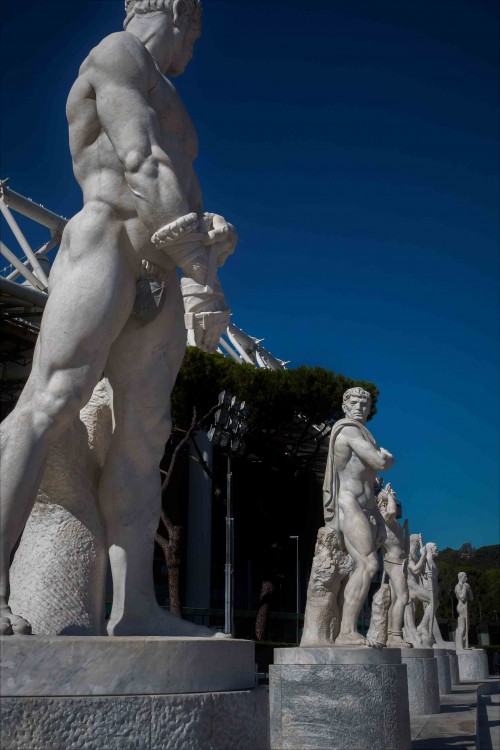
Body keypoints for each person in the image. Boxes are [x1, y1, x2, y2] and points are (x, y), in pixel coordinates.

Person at [0, 0, 237, 636]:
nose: (193, 51)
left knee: (143, 437)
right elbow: (142, 162)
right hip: (105, 242)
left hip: (163, 268)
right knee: (51, 401)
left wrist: (206, 254)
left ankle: (135, 611)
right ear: (184, 17)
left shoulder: (172, 99)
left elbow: (183, 190)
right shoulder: (116, 52)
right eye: (196, 34)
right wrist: (203, 273)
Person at [323, 386, 394, 646]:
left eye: (364, 405)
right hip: (350, 504)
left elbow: (370, 479)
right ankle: (346, 632)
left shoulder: (364, 434)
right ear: (344, 406)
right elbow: (380, 462)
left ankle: (346, 627)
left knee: (359, 567)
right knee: (368, 565)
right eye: (353, 403)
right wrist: (388, 457)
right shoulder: (348, 431)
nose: (359, 408)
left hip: (367, 507)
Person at [376, 483, 410, 647]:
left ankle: (392, 633)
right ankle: (395, 634)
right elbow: (391, 511)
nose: (396, 503)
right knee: (403, 597)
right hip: (392, 561)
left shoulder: (395, 523)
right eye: (393, 499)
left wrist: (406, 531)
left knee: (397, 598)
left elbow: (404, 547)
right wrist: (389, 495)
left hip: (400, 562)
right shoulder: (384, 516)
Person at [455, 571, 473, 650]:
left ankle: (465, 644)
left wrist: (469, 589)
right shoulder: (458, 586)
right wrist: (465, 588)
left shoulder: (465, 585)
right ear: (460, 577)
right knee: (462, 626)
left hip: (466, 608)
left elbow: (471, 598)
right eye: (464, 576)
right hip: (461, 607)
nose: (466, 578)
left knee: (467, 626)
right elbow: (462, 598)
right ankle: (460, 645)